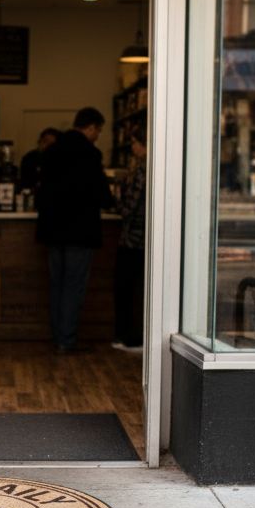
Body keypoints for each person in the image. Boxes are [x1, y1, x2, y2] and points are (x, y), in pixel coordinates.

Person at [36, 107, 111, 354]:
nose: (97, 135)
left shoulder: (51, 153)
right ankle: (66, 339)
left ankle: (57, 335)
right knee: (73, 286)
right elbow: (102, 195)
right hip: (80, 230)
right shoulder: (91, 155)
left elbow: (41, 192)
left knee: (56, 284)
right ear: (89, 127)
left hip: (53, 230)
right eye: (98, 130)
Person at [112, 126, 146, 352]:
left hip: (133, 239)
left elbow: (128, 209)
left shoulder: (141, 172)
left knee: (125, 290)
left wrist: (116, 200)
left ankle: (129, 337)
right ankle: (134, 336)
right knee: (138, 290)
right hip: (143, 239)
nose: (132, 147)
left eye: (134, 143)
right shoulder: (152, 169)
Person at [18, 127, 60, 193]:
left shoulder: (60, 161)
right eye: (45, 142)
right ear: (39, 142)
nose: (48, 146)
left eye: (52, 144)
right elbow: (25, 183)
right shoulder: (29, 159)